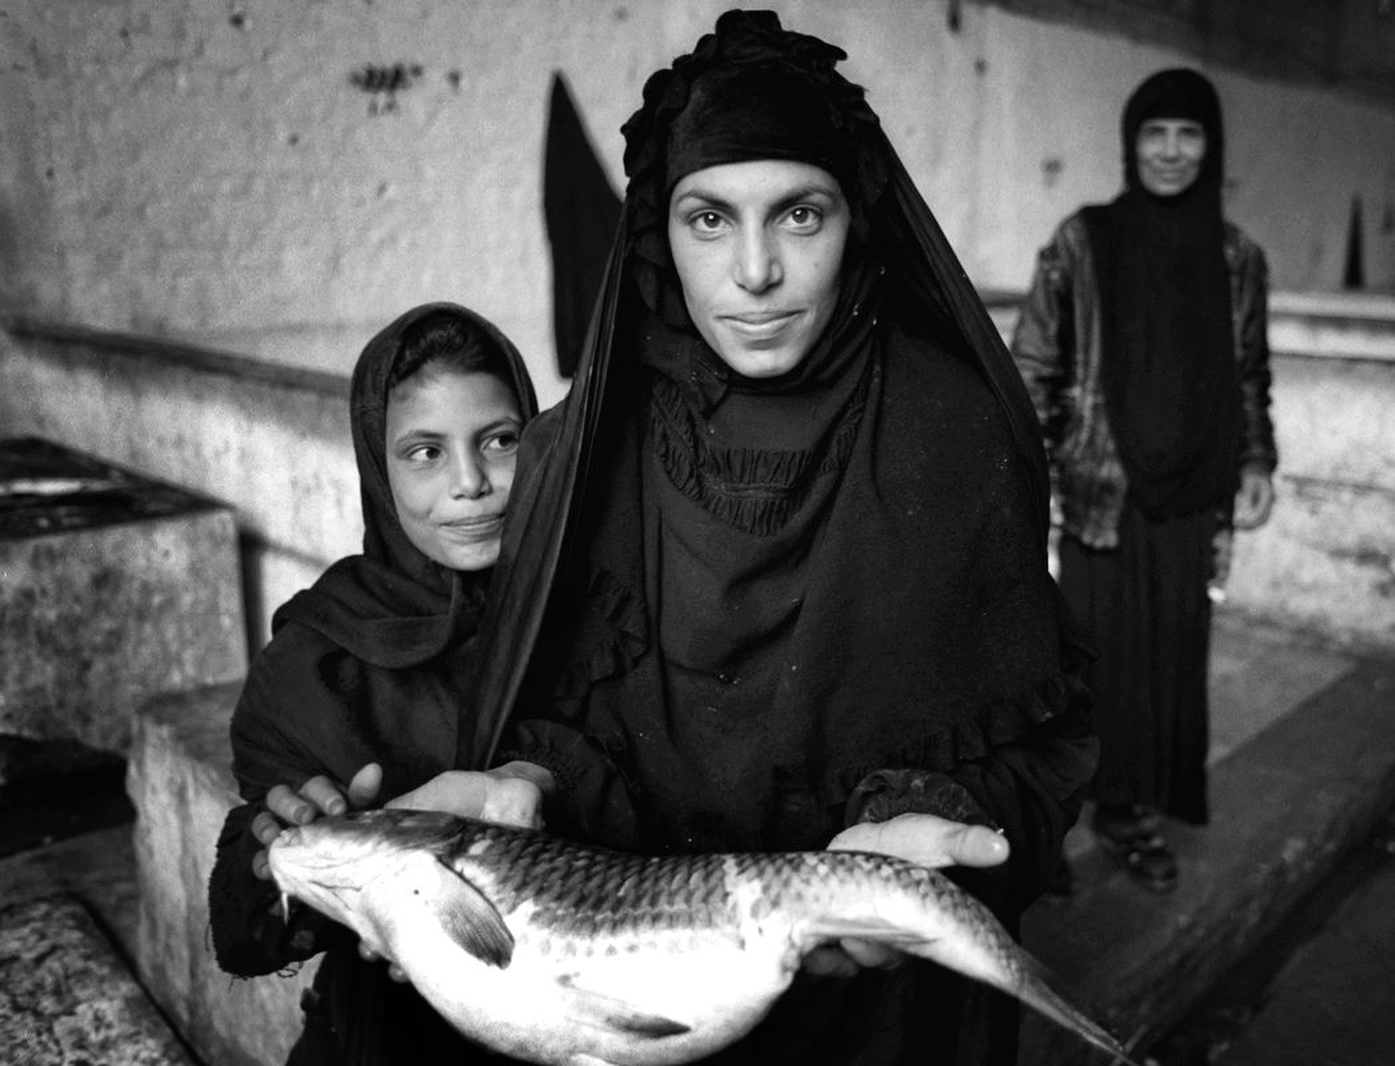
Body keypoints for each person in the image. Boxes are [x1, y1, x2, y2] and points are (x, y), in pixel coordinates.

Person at [460, 10, 1100, 1066]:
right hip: (648, 983)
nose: (754, 272)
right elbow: (555, 712)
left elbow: (1029, 732)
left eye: (799, 215)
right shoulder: (583, 451)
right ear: (656, 237)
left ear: (858, 221)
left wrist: (913, 829)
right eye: (708, 220)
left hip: (884, 1014)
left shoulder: (952, 430)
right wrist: (519, 781)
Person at [207, 303, 545, 1065]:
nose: (471, 484)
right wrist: (292, 865)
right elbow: (244, 935)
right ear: (375, 464)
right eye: (425, 452)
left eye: (499, 440)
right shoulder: (316, 661)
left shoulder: (595, 616)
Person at [1010, 68, 1276, 894]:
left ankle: (1130, 810)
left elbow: (1249, 373)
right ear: (1131, 143)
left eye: (1188, 134)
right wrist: (1032, 476)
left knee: (1166, 664)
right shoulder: (1082, 241)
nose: (1169, 151)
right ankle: (1047, 817)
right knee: (1086, 665)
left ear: (1211, 146)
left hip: (1193, 497)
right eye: (1154, 133)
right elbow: (1034, 368)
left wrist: (1258, 460)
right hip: (1101, 491)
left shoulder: (1235, 256)